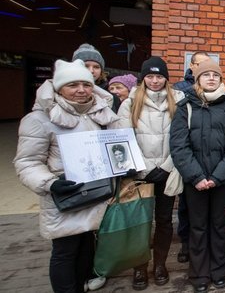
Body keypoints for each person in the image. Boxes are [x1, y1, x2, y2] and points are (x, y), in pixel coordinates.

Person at [14, 59, 119, 293]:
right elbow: (27, 162)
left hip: (95, 192)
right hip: (65, 197)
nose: (81, 90)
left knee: (86, 248)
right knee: (65, 252)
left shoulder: (99, 113)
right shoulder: (39, 119)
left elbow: (113, 146)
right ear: (59, 87)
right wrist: (50, 183)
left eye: (86, 84)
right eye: (73, 85)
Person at [169, 59, 225, 293]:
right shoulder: (185, 107)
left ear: (221, 79)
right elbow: (179, 146)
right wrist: (196, 176)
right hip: (195, 181)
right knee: (198, 226)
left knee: (219, 225)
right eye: (206, 75)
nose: (211, 78)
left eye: (215, 75)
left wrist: (218, 176)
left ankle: (218, 270)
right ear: (197, 79)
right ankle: (199, 272)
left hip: (221, 180)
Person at [114, 56, 185, 290]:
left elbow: (182, 137)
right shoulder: (130, 103)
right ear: (143, 79)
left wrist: (165, 166)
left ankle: (160, 264)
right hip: (139, 173)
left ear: (166, 78)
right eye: (150, 76)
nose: (155, 81)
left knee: (164, 220)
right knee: (140, 222)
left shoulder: (178, 99)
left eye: (159, 76)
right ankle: (139, 267)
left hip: (167, 170)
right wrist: (144, 167)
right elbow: (123, 140)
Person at [173, 51, 210, 263]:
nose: (206, 70)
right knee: (187, 207)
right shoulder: (179, 91)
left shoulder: (217, 93)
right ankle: (186, 243)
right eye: (201, 64)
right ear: (192, 66)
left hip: (211, 162)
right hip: (190, 161)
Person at [72, 43, 120, 112]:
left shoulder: (112, 97)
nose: (91, 71)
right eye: (86, 66)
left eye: (96, 67)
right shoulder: (61, 92)